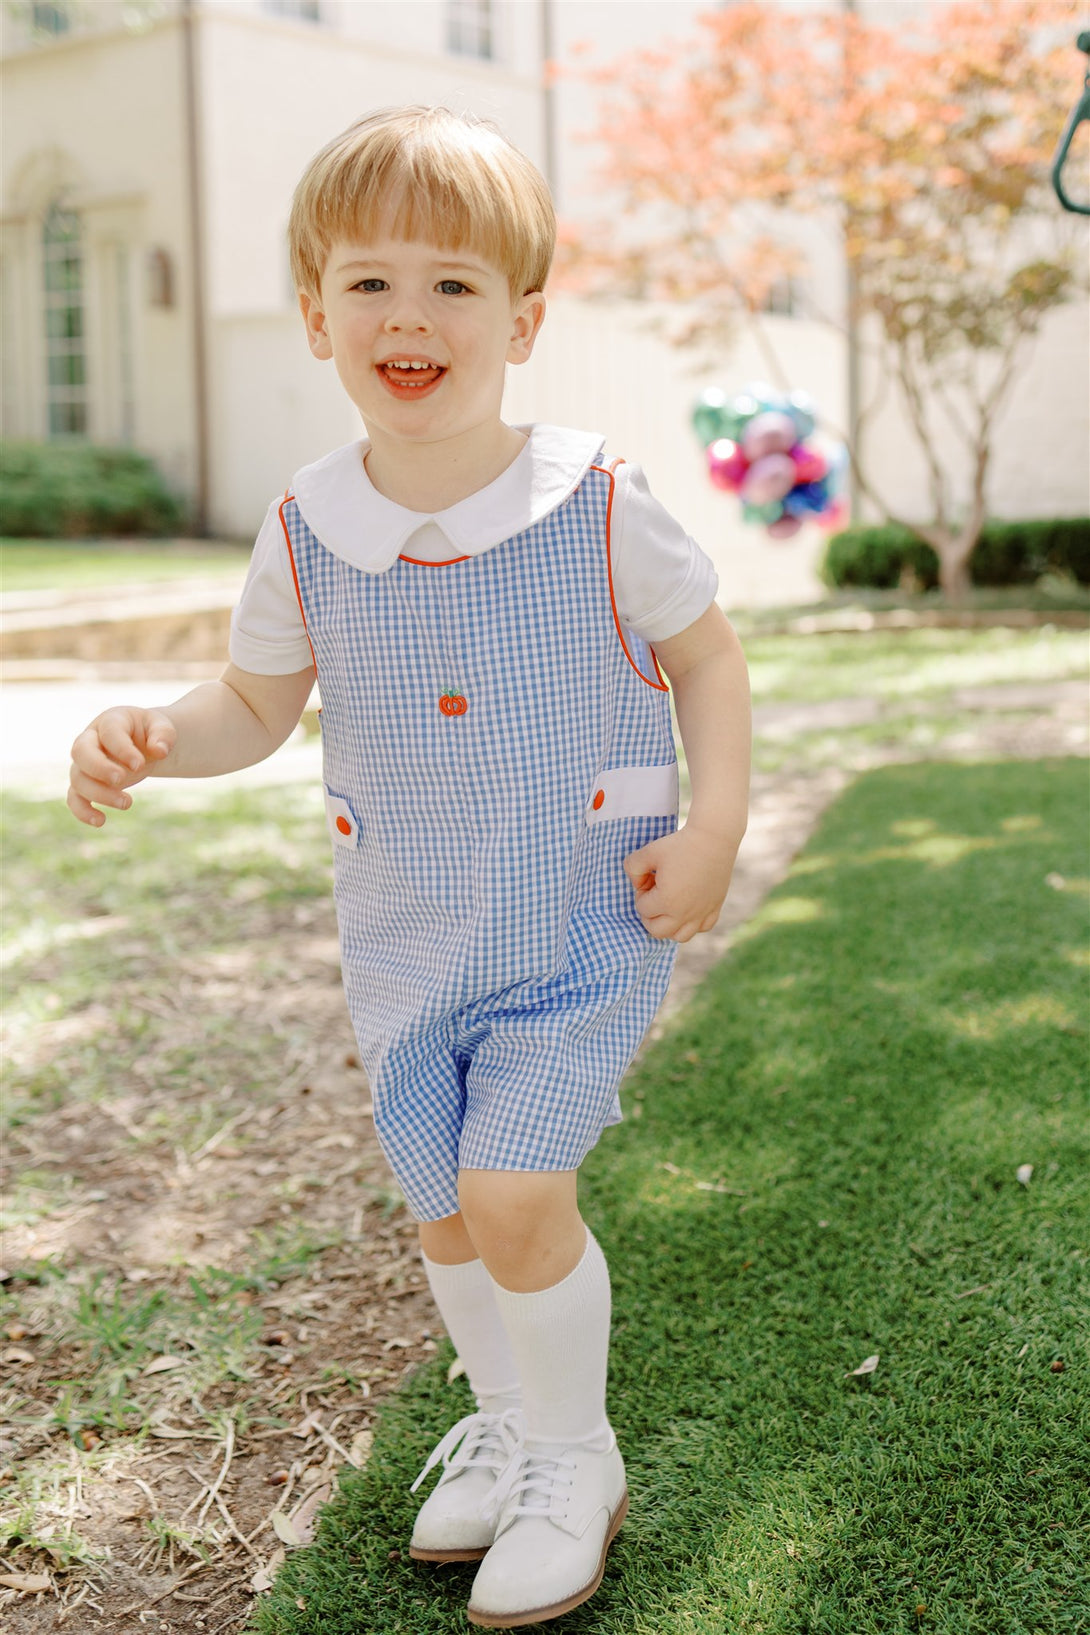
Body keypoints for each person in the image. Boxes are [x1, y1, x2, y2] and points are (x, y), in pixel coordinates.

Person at [66, 106, 751, 1628]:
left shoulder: (593, 503)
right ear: (316, 315)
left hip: (578, 916)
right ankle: (507, 1424)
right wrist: (150, 737)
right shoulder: (308, 526)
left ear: (521, 316)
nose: (409, 316)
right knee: (443, 1206)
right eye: (370, 281)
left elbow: (707, 660)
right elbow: (252, 703)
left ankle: (574, 1453)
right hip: (407, 934)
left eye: (452, 283)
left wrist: (712, 830)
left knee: (516, 1192)